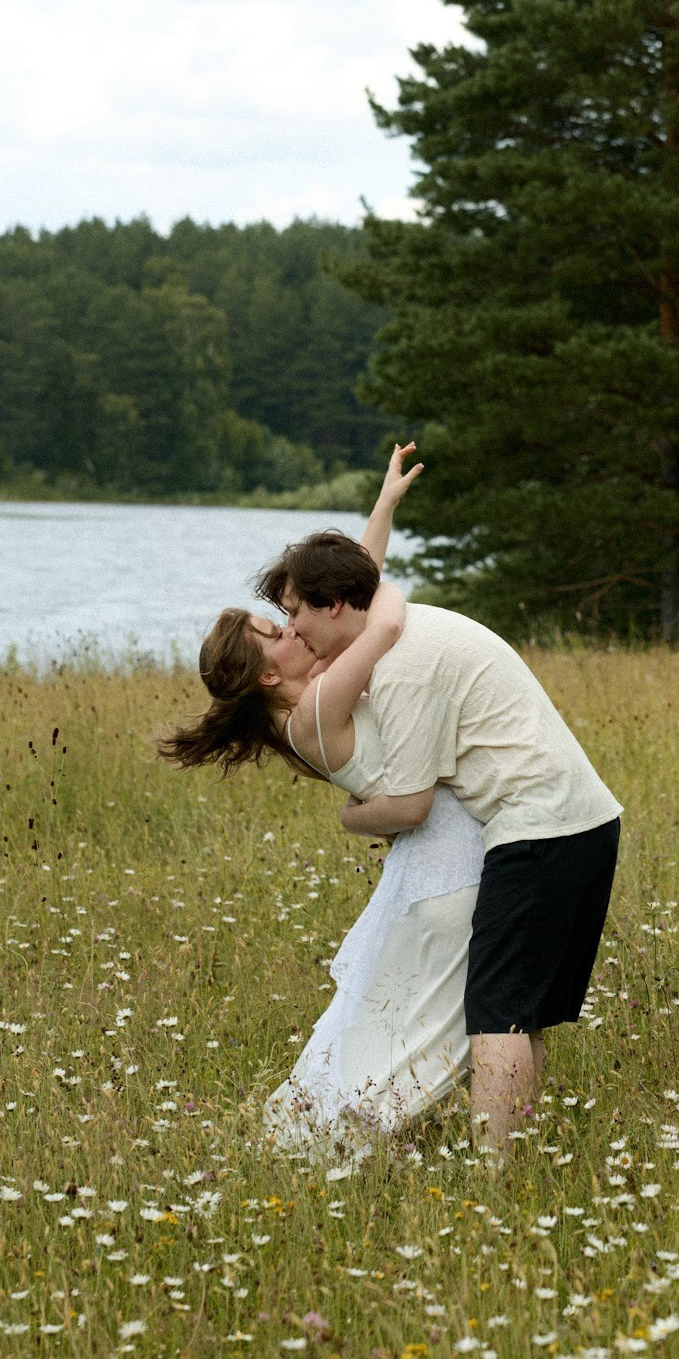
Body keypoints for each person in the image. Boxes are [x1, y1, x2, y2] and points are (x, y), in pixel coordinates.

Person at [263, 514, 621, 1163]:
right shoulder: (403, 627)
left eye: (296, 614)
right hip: (584, 822)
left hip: (538, 828)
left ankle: (495, 1178)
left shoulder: (401, 667)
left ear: (335, 604)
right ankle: (517, 1157)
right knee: (521, 1011)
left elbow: (412, 803)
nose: (296, 630)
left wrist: (350, 815)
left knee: (496, 1014)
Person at [161, 447, 486, 1153]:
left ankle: (372, 1126)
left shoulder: (308, 692)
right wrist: (388, 590)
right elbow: (381, 617)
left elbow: (349, 594)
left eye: (287, 620)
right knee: (434, 1017)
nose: (293, 626)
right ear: (266, 675)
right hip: (442, 847)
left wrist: (384, 505)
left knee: (401, 1011)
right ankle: (360, 1132)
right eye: (276, 633)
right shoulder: (313, 706)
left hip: (432, 848)